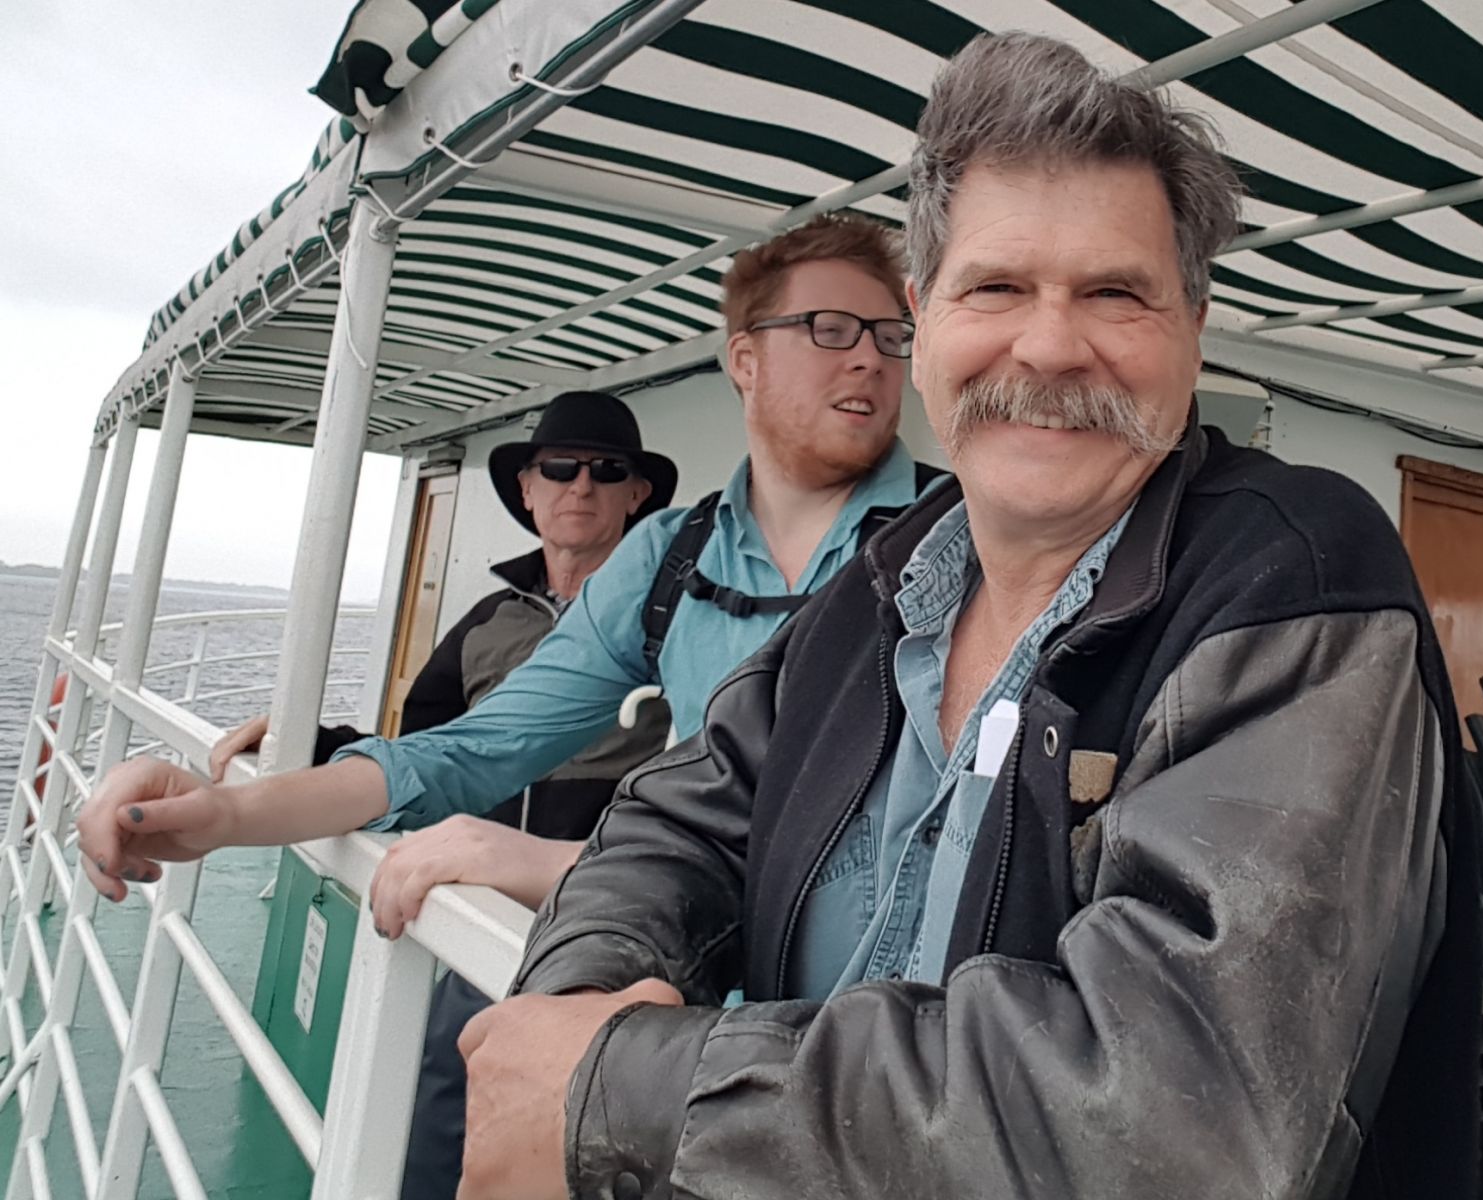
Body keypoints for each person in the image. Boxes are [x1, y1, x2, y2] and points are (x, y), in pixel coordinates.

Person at [450, 32, 1482, 1200]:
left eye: (1114, 293)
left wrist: (620, 1088)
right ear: (923, 320)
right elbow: (672, 825)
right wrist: (584, 997)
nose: (1048, 345)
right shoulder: (878, 588)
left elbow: (1184, 1115)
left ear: (1192, 328)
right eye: (996, 287)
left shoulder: (1294, 574)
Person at [78, 213, 944, 1197]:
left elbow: (899, 846)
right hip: (674, 1019)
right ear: (744, 359)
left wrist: (539, 863)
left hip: (864, 1060)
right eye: (832, 328)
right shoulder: (673, 555)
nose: (871, 360)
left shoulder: (951, 538)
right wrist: (229, 812)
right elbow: (466, 749)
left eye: (891, 335)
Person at [206, 388, 675, 830]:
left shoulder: (675, 616)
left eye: (609, 470)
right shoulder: (485, 623)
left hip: (611, 890)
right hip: (472, 889)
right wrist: (310, 741)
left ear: (638, 494)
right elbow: (422, 745)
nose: (582, 485)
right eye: (558, 467)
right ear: (527, 489)